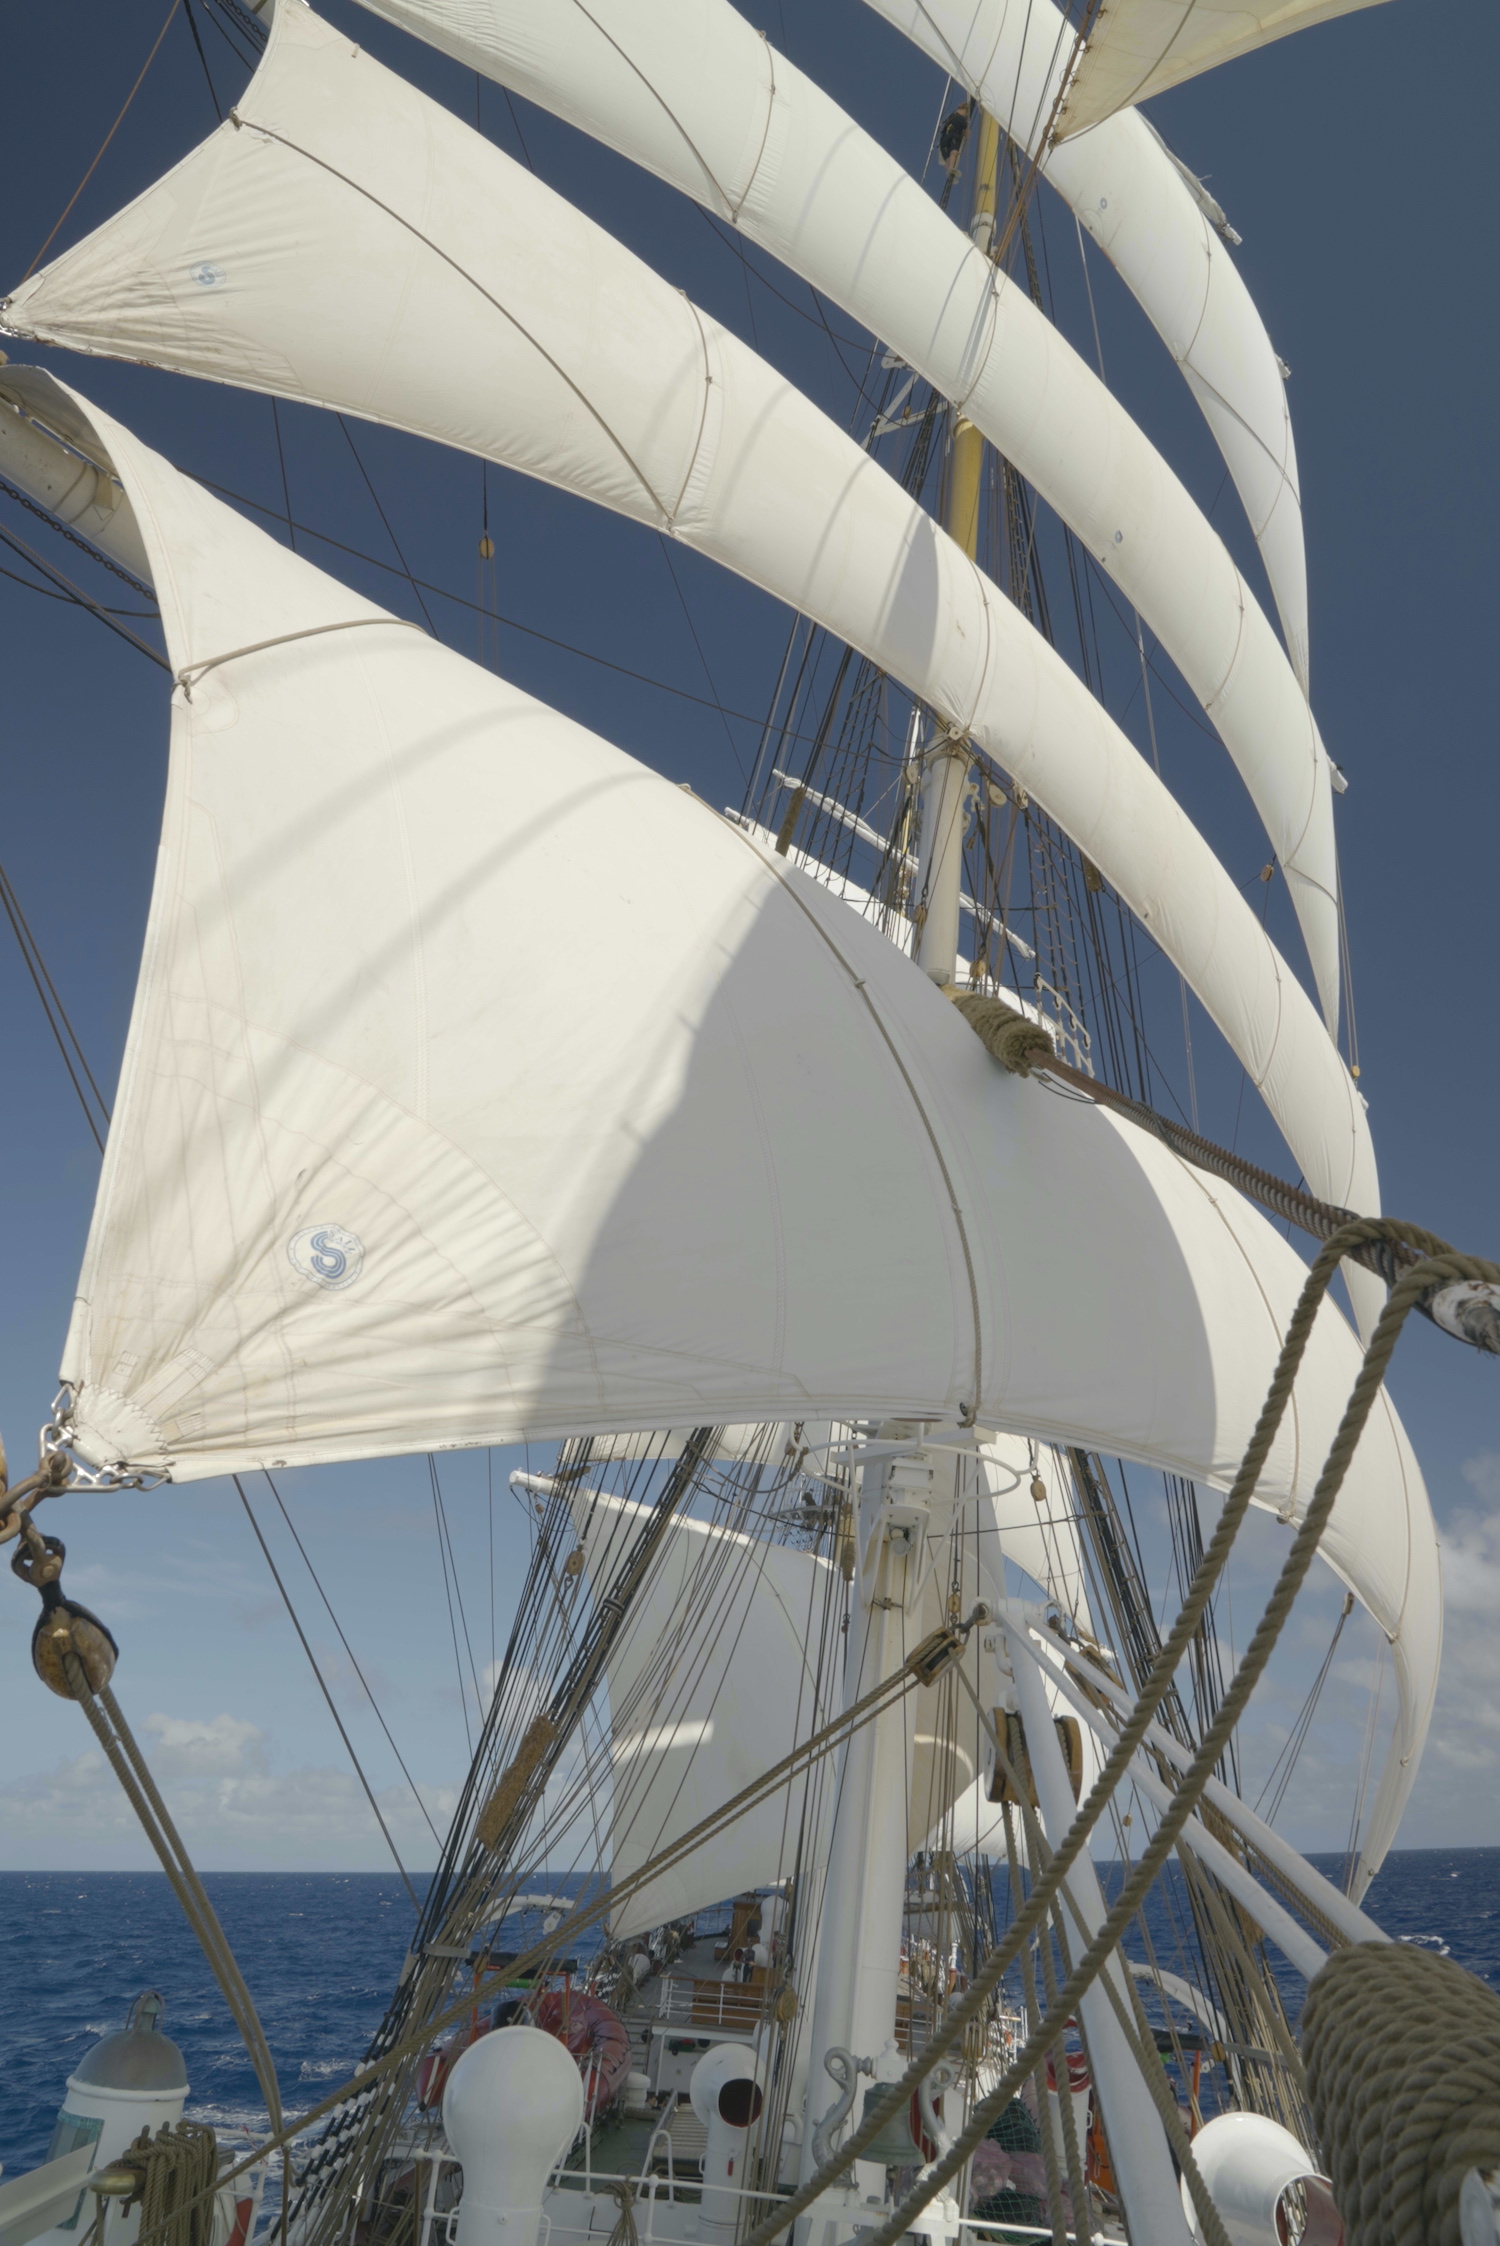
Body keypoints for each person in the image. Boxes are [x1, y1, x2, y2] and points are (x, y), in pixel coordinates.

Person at [939, 98, 974, 179]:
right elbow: (966, 131)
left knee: (947, 157)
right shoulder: (961, 119)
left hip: (943, 140)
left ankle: (949, 172)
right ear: (964, 110)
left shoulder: (951, 117)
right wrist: (967, 134)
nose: (965, 115)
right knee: (954, 152)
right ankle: (951, 168)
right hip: (954, 135)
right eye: (966, 113)